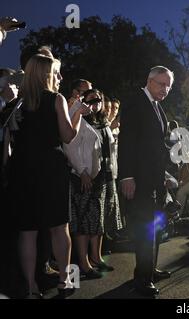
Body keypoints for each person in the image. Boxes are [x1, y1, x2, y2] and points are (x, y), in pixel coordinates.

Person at [7, 54, 87, 298]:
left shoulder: (15, 104)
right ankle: (65, 280)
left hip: (21, 169)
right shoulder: (56, 99)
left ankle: (30, 286)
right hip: (50, 169)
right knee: (58, 227)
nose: (58, 77)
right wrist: (78, 114)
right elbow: (67, 136)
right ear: (46, 74)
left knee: (28, 231)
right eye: (54, 72)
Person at [118, 66, 173, 296]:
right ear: (149, 81)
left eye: (168, 85)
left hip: (156, 179)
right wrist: (127, 176)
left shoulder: (157, 107)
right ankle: (142, 280)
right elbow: (127, 141)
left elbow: (159, 145)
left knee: (156, 227)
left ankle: (149, 268)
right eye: (161, 84)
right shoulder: (135, 102)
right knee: (144, 230)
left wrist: (167, 175)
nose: (165, 89)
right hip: (139, 179)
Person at [64, 89, 122, 278]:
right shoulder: (78, 119)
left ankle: (96, 257)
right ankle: (84, 263)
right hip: (84, 177)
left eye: (99, 99)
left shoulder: (104, 121)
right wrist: (82, 172)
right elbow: (70, 146)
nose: (96, 103)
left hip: (104, 176)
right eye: (91, 100)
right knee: (83, 221)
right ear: (84, 102)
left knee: (98, 220)